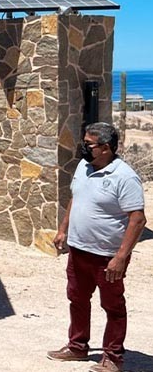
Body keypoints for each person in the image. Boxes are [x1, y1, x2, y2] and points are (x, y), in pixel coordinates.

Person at [48, 122, 147, 372]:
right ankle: (77, 347)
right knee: (77, 299)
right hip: (79, 250)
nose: (84, 148)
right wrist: (63, 230)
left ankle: (113, 357)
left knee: (113, 306)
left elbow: (137, 219)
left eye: (89, 144)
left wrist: (121, 257)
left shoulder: (125, 177)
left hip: (107, 256)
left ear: (105, 148)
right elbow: (76, 198)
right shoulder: (84, 166)